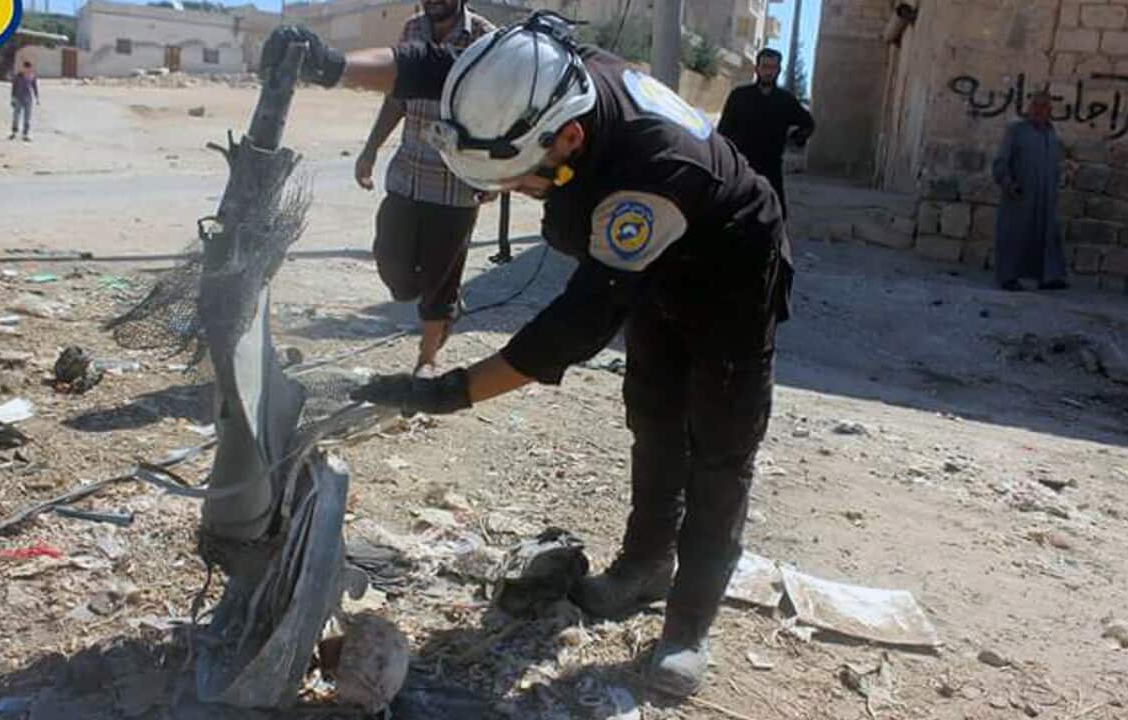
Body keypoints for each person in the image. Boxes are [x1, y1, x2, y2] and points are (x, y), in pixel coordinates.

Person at [260, 11, 792, 697]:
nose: (513, 192)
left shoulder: (650, 170)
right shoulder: (528, 79)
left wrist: (451, 391)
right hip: (650, 269)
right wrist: (331, 66)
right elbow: (431, 64)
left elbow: (577, 322)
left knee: (720, 448)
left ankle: (688, 627)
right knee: (655, 417)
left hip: (728, 273)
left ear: (569, 136)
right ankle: (645, 566)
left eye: (521, 179)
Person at [355, 0, 496, 376]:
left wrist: (492, 176)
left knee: (441, 278)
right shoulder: (412, 30)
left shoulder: (486, 38)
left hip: (456, 185)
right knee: (393, 267)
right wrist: (369, 151)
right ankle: (443, 305)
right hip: (407, 174)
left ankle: (428, 357)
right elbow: (397, 97)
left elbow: (500, 113)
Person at [716, 48, 814, 220]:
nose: (768, 72)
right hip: (742, 166)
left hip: (771, 167)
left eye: (773, 68)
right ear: (757, 68)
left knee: (775, 215)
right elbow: (723, 131)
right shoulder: (739, 97)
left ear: (778, 70)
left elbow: (808, 123)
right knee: (734, 213)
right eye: (765, 67)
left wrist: (796, 139)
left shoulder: (785, 100)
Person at [991, 91, 1068, 292]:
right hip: (1019, 195)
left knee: (1044, 237)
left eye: (1044, 106)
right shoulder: (1016, 131)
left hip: (1044, 198)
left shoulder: (1051, 135)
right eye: (1035, 105)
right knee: (1014, 236)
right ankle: (1008, 278)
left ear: (1049, 111)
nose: (1038, 110)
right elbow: (1000, 163)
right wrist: (1008, 183)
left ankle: (1047, 277)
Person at [10, 61, 39, 142]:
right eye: (26, 68)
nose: (27, 69)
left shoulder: (32, 76)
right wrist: (13, 97)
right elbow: (14, 86)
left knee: (27, 117)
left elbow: (34, 86)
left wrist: (37, 97)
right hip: (18, 97)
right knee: (16, 115)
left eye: (28, 68)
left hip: (28, 98)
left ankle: (25, 134)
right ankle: (14, 132)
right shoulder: (18, 76)